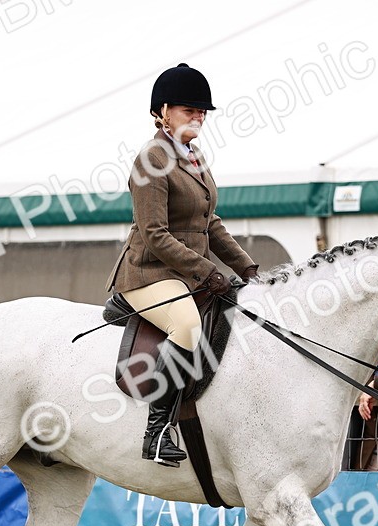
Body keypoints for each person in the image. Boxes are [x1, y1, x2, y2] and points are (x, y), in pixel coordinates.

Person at [105, 63, 258, 467]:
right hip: (148, 272)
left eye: (202, 111)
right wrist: (207, 271)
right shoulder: (150, 160)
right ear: (164, 110)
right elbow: (154, 233)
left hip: (184, 273)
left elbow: (211, 223)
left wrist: (248, 269)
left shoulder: (195, 158)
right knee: (187, 326)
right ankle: (156, 432)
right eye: (190, 109)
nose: (199, 116)